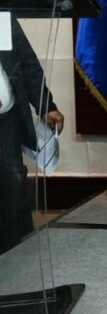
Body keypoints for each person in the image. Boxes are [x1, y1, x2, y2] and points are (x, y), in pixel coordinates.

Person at [0, 19, 64, 254]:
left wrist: (46, 105)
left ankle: (15, 255)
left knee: (13, 185)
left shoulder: (2, 11)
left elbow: (26, 61)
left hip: (5, 121)